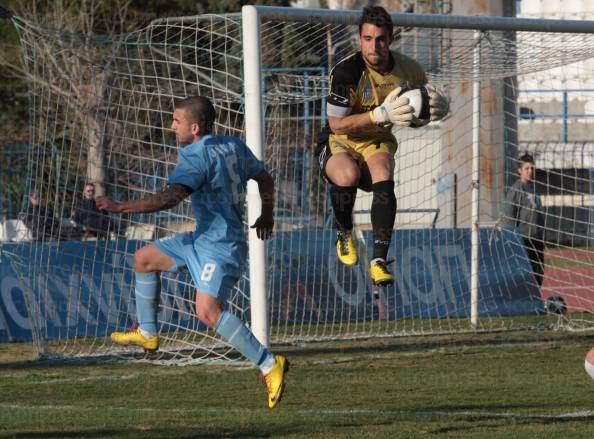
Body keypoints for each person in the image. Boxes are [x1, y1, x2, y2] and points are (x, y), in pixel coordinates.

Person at [96, 96, 288, 409]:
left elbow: (170, 199)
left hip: (221, 246)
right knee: (144, 259)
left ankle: (269, 365)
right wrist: (268, 214)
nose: (172, 126)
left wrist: (121, 207)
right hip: (202, 239)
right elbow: (264, 177)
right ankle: (147, 331)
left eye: (177, 121)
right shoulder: (233, 145)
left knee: (207, 312)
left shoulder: (194, 156)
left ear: (194, 128)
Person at [317, 6, 449, 286]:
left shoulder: (409, 70)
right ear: (359, 39)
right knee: (347, 175)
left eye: (380, 39)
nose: (373, 46)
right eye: (367, 38)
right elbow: (337, 125)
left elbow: (422, 106)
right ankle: (343, 231)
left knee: (384, 170)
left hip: (377, 141)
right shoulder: (346, 72)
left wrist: (440, 107)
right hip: (339, 140)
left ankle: (378, 260)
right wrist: (378, 115)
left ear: (390, 39)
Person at [502, 153, 545, 289]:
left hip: (536, 238)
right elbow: (509, 216)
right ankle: (526, 301)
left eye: (531, 168)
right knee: (526, 273)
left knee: (539, 271)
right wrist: (512, 239)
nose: (530, 171)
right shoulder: (515, 190)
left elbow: (538, 214)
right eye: (526, 168)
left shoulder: (534, 189)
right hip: (523, 239)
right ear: (519, 170)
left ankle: (536, 301)